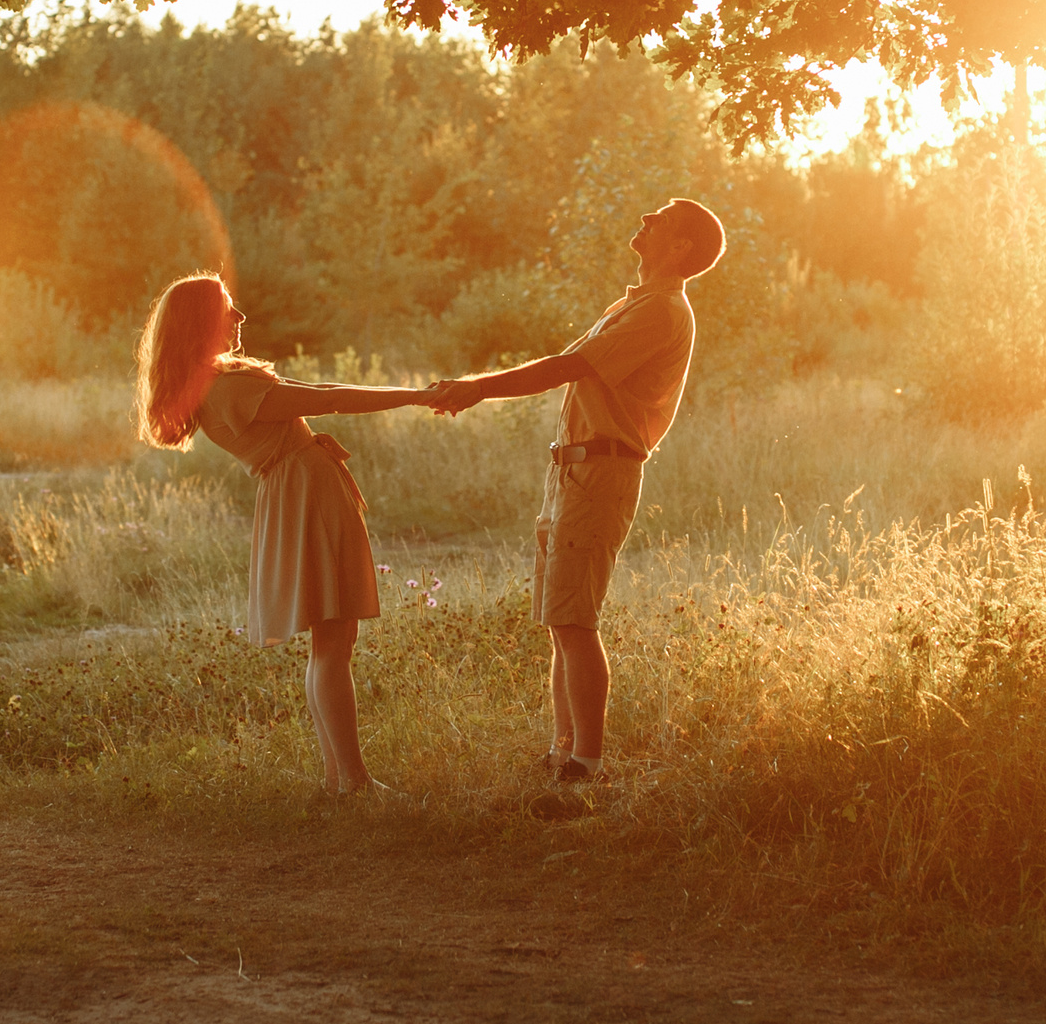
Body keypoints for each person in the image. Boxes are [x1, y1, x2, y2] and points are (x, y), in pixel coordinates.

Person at [430, 198, 727, 783]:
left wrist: (477, 388)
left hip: (602, 472)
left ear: (681, 246)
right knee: (559, 618)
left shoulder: (661, 312)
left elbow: (566, 368)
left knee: (574, 620)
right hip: (573, 471)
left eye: (660, 217)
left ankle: (584, 765)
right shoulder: (635, 303)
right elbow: (571, 366)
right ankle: (561, 754)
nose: (646, 218)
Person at [136, 272, 439, 795]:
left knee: (329, 640)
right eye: (229, 308)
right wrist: (416, 395)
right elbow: (328, 397)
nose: (239, 317)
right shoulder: (227, 388)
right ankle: (355, 780)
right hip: (305, 496)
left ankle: (338, 778)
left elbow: (322, 396)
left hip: (296, 493)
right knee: (334, 640)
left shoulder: (214, 385)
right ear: (202, 322)